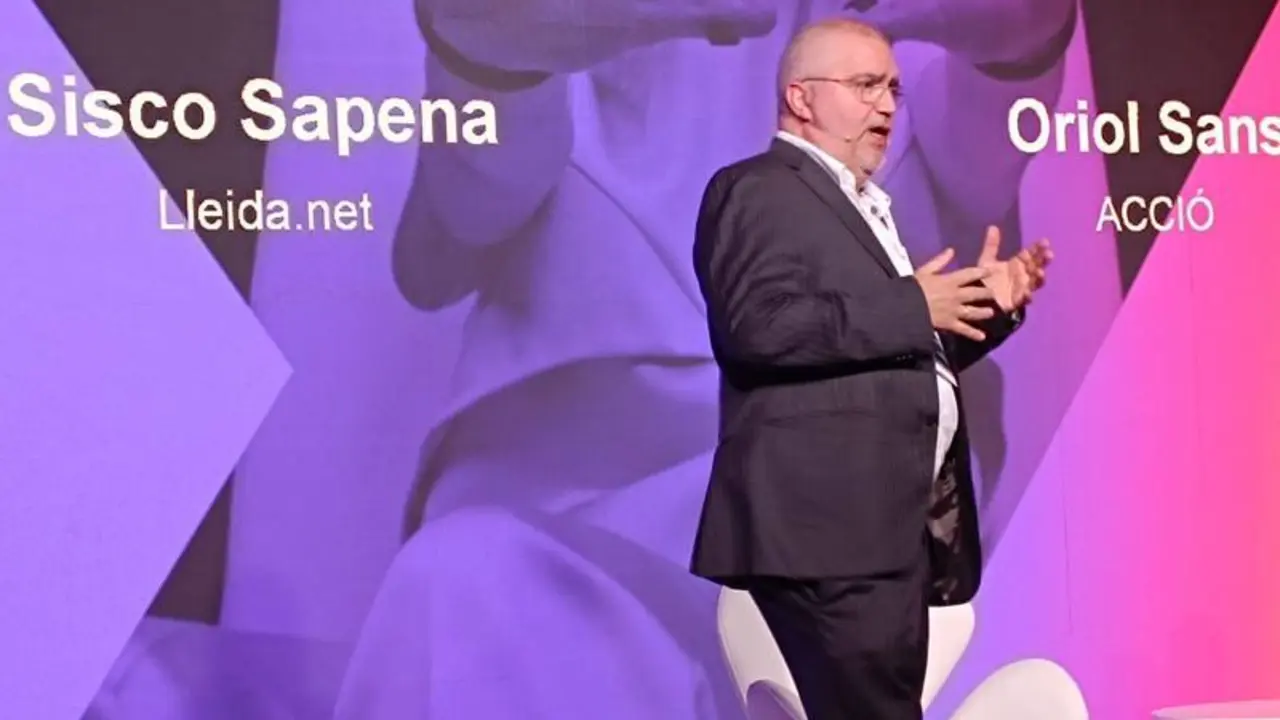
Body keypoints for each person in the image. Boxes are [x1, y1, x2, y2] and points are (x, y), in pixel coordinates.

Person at [689, 19, 1052, 720]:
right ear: (801, 97)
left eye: (892, 89)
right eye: (864, 86)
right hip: (825, 530)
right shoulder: (760, 188)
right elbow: (757, 330)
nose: (886, 105)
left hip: (885, 530)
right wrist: (914, 304)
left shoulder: (861, 205)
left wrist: (987, 309)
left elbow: (878, 355)